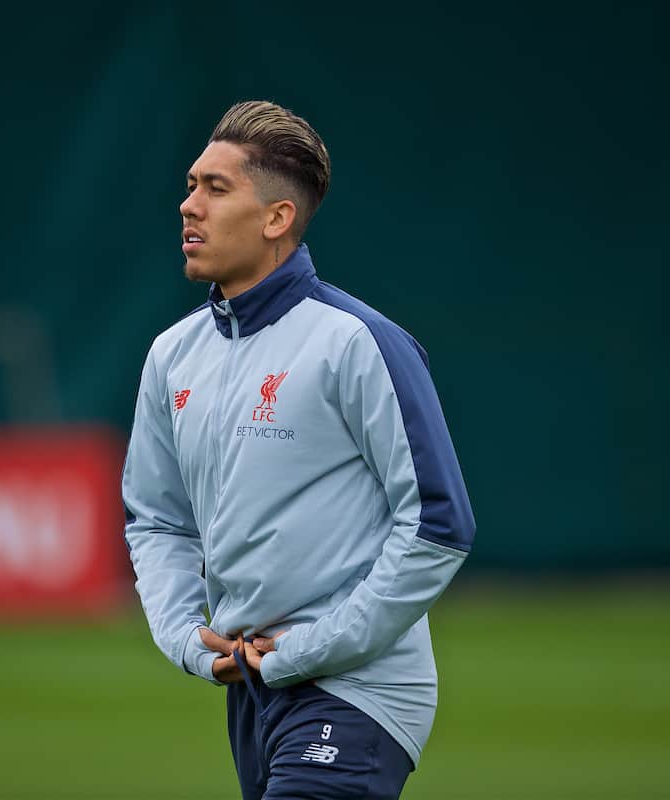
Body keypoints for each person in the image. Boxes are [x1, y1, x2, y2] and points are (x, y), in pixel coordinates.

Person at [122, 100, 475, 800]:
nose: (189, 205)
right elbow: (157, 521)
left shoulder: (356, 341)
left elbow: (440, 525)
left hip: (358, 692)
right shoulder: (171, 354)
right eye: (191, 185)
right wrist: (189, 641)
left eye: (216, 189)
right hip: (253, 695)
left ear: (277, 218)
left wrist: (312, 648)